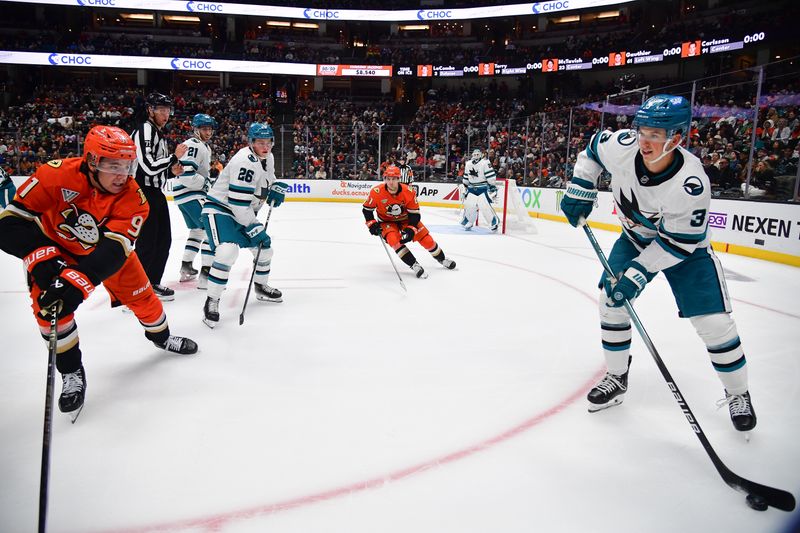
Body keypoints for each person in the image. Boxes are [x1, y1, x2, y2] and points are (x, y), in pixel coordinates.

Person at [559, 94, 756, 433]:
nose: (644, 141)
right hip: (635, 239)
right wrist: (581, 184)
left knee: (713, 323)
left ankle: (738, 393)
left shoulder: (691, 184)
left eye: (655, 134)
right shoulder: (623, 146)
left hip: (686, 251)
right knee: (612, 302)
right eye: (642, 131)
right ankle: (617, 377)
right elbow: (591, 151)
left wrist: (639, 270)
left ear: (676, 138)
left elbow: (679, 242)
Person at [0, 125, 198, 419]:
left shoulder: (134, 198)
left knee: (145, 300)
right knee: (50, 314)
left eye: (127, 165)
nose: (122, 174)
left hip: (105, 253)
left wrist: (79, 282)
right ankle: (71, 371)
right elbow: (9, 224)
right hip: (56, 249)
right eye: (112, 164)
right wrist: (43, 262)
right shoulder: (54, 174)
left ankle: (161, 337)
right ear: (92, 161)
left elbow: (114, 250)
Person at [200, 123, 288, 328]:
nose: (265, 147)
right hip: (220, 211)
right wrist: (255, 228)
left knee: (265, 250)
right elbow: (238, 205)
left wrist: (275, 187)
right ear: (251, 142)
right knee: (227, 252)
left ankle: (261, 287)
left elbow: (269, 178)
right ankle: (212, 300)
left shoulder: (269, 157)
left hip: (241, 212)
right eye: (260, 143)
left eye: (268, 142)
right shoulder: (244, 161)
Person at [131, 92, 187, 301]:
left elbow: (155, 170)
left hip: (155, 192)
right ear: (150, 110)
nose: (166, 114)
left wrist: (170, 172)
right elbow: (146, 165)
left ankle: (151, 283)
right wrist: (174, 157)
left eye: (167, 110)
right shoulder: (145, 129)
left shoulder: (157, 133)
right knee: (147, 243)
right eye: (161, 110)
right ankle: (136, 290)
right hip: (142, 193)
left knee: (163, 240)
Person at [362, 164, 456, 279]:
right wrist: (371, 224)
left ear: (398, 179)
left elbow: (415, 214)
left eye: (394, 179)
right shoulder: (376, 192)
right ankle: (414, 265)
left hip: (407, 219)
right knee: (394, 240)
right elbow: (367, 210)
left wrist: (411, 229)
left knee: (427, 240)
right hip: (387, 222)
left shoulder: (409, 192)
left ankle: (442, 259)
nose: (390, 182)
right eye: (388, 179)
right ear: (384, 179)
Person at [174, 113, 217, 286]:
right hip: (191, 194)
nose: (208, 132)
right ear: (196, 129)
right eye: (204, 128)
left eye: (209, 128)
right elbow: (187, 175)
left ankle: (186, 266)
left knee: (197, 231)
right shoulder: (194, 145)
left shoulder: (202, 146)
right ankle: (206, 274)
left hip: (184, 196)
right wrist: (206, 183)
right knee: (210, 231)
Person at [460, 148, 499, 232]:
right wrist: (465, 186)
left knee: (484, 206)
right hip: (471, 188)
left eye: (478, 154)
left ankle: (493, 223)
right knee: (469, 205)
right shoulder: (468, 164)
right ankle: (469, 221)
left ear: (481, 155)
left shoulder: (485, 162)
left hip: (483, 187)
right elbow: (466, 176)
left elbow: (491, 176)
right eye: (474, 155)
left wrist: (492, 186)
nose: (476, 156)